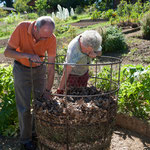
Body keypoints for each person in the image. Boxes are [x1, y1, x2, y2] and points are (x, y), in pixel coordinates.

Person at [4, 16, 56, 150]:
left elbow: (51, 66)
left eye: (47, 37)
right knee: (24, 107)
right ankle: (25, 140)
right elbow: (7, 52)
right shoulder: (22, 28)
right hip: (22, 69)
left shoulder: (51, 38)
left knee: (39, 103)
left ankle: (37, 134)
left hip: (39, 71)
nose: (45, 39)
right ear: (34, 28)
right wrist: (27, 55)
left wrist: (48, 90)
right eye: (42, 36)